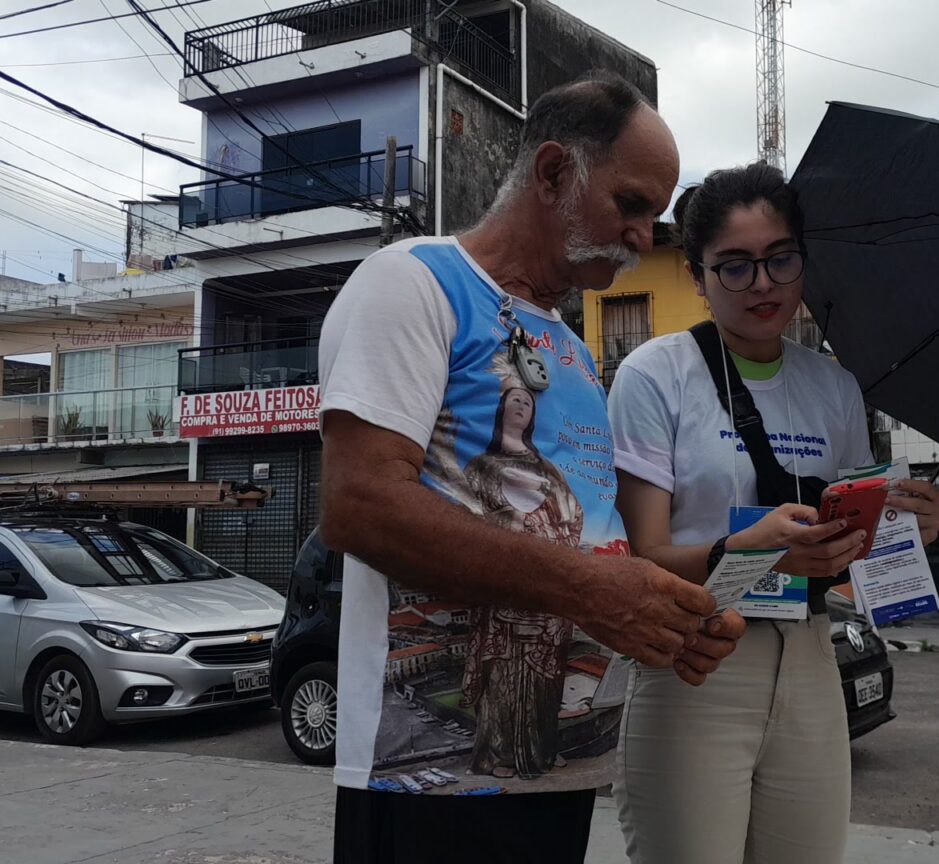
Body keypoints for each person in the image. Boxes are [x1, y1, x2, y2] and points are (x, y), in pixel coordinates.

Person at [317, 74, 748, 864]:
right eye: (631, 204)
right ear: (553, 173)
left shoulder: (574, 353)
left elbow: (596, 546)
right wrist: (590, 591)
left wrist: (666, 623)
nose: (644, 236)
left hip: (559, 770)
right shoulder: (414, 281)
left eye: (654, 215)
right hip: (428, 789)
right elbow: (360, 504)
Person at [608, 162, 939, 863]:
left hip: (813, 656)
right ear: (697, 276)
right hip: (696, 660)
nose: (762, 284)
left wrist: (907, 533)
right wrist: (755, 552)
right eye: (734, 266)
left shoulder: (835, 387)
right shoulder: (656, 374)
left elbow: (850, 554)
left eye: (780, 259)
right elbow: (643, 559)